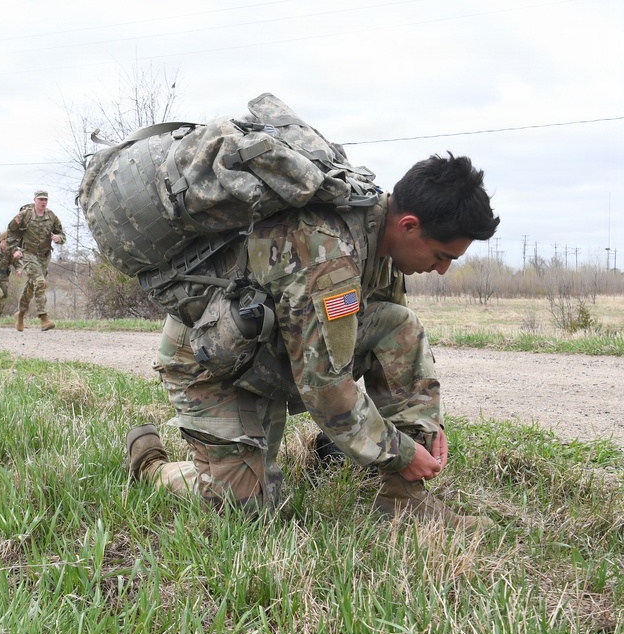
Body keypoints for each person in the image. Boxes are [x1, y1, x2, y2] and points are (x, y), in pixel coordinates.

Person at [126, 153, 500, 529]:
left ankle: (403, 499)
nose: (442, 269)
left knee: (400, 326)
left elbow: (391, 345)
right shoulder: (329, 256)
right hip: (212, 361)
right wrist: (400, 451)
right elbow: (325, 388)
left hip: (271, 352)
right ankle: (151, 467)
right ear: (409, 225)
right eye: (441, 256)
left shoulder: (384, 241)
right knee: (246, 510)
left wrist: (424, 428)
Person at [7, 189, 64, 332]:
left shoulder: (51, 216)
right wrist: (14, 250)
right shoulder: (25, 215)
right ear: (35, 200)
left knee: (33, 285)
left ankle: (20, 313)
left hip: (44, 256)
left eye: (45, 200)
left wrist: (58, 238)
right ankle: (43, 318)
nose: (43, 202)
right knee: (40, 282)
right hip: (28, 254)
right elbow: (11, 232)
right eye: (41, 199)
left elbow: (61, 234)